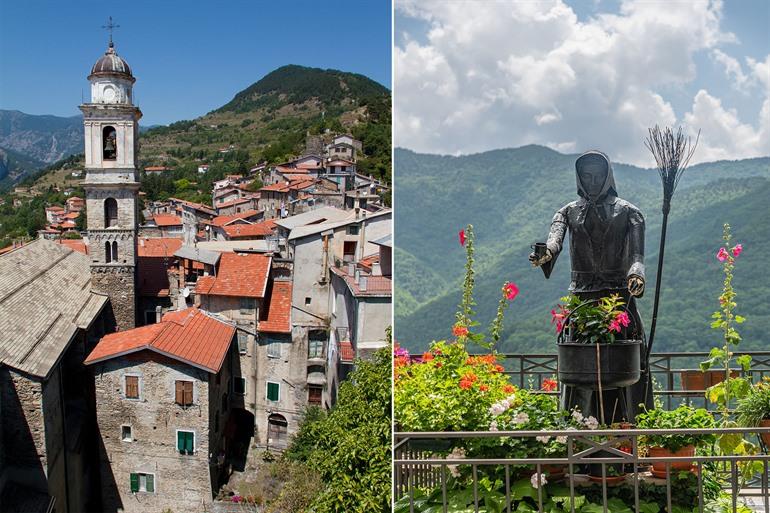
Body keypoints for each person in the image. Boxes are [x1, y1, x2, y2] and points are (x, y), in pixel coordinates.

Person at [530, 150, 652, 424]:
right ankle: (577, 434)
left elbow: (637, 258)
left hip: (619, 301)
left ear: (608, 176)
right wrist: (545, 254)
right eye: (587, 175)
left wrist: (636, 276)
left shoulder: (630, 213)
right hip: (582, 301)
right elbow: (554, 241)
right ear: (579, 177)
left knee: (628, 367)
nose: (593, 181)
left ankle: (634, 432)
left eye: (598, 175)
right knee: (579, 370)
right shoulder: (567, 212)